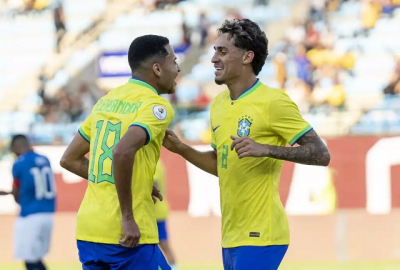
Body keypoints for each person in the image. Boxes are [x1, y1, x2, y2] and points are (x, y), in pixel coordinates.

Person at [163, 19, 331, 270]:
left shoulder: (273, 102)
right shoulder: (218, 104)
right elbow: (222, 164)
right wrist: (182, 149)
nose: (213, 59)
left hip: (262, 234)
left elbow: (321, 154)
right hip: (231, 234)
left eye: (222, 51)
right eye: (214, 51)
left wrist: (268, 149)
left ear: (247, 57)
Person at [60, 35, 180, 270]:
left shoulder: (106, 101)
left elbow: (69, 159)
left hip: (89, 231)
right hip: (127, 236)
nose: (177, 69)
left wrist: (135, 182)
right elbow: (122, 152)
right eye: (174, 61)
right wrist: (127, 217)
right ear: (157, 69)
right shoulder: (156, 106)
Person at [0, 134, 56, 270]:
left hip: (30, 214)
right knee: (37, 259)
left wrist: (9, 193)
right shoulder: (44, 159)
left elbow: (17, 195)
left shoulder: (19, 163)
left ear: (16, 147)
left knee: (30, 261)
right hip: (48, 214)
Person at [153, 160, 179, 270]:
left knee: (162, 244)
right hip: (158, 211)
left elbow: (153, 187)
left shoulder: (153, 163)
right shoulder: (158, 163)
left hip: (155, 213)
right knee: (163, 245)